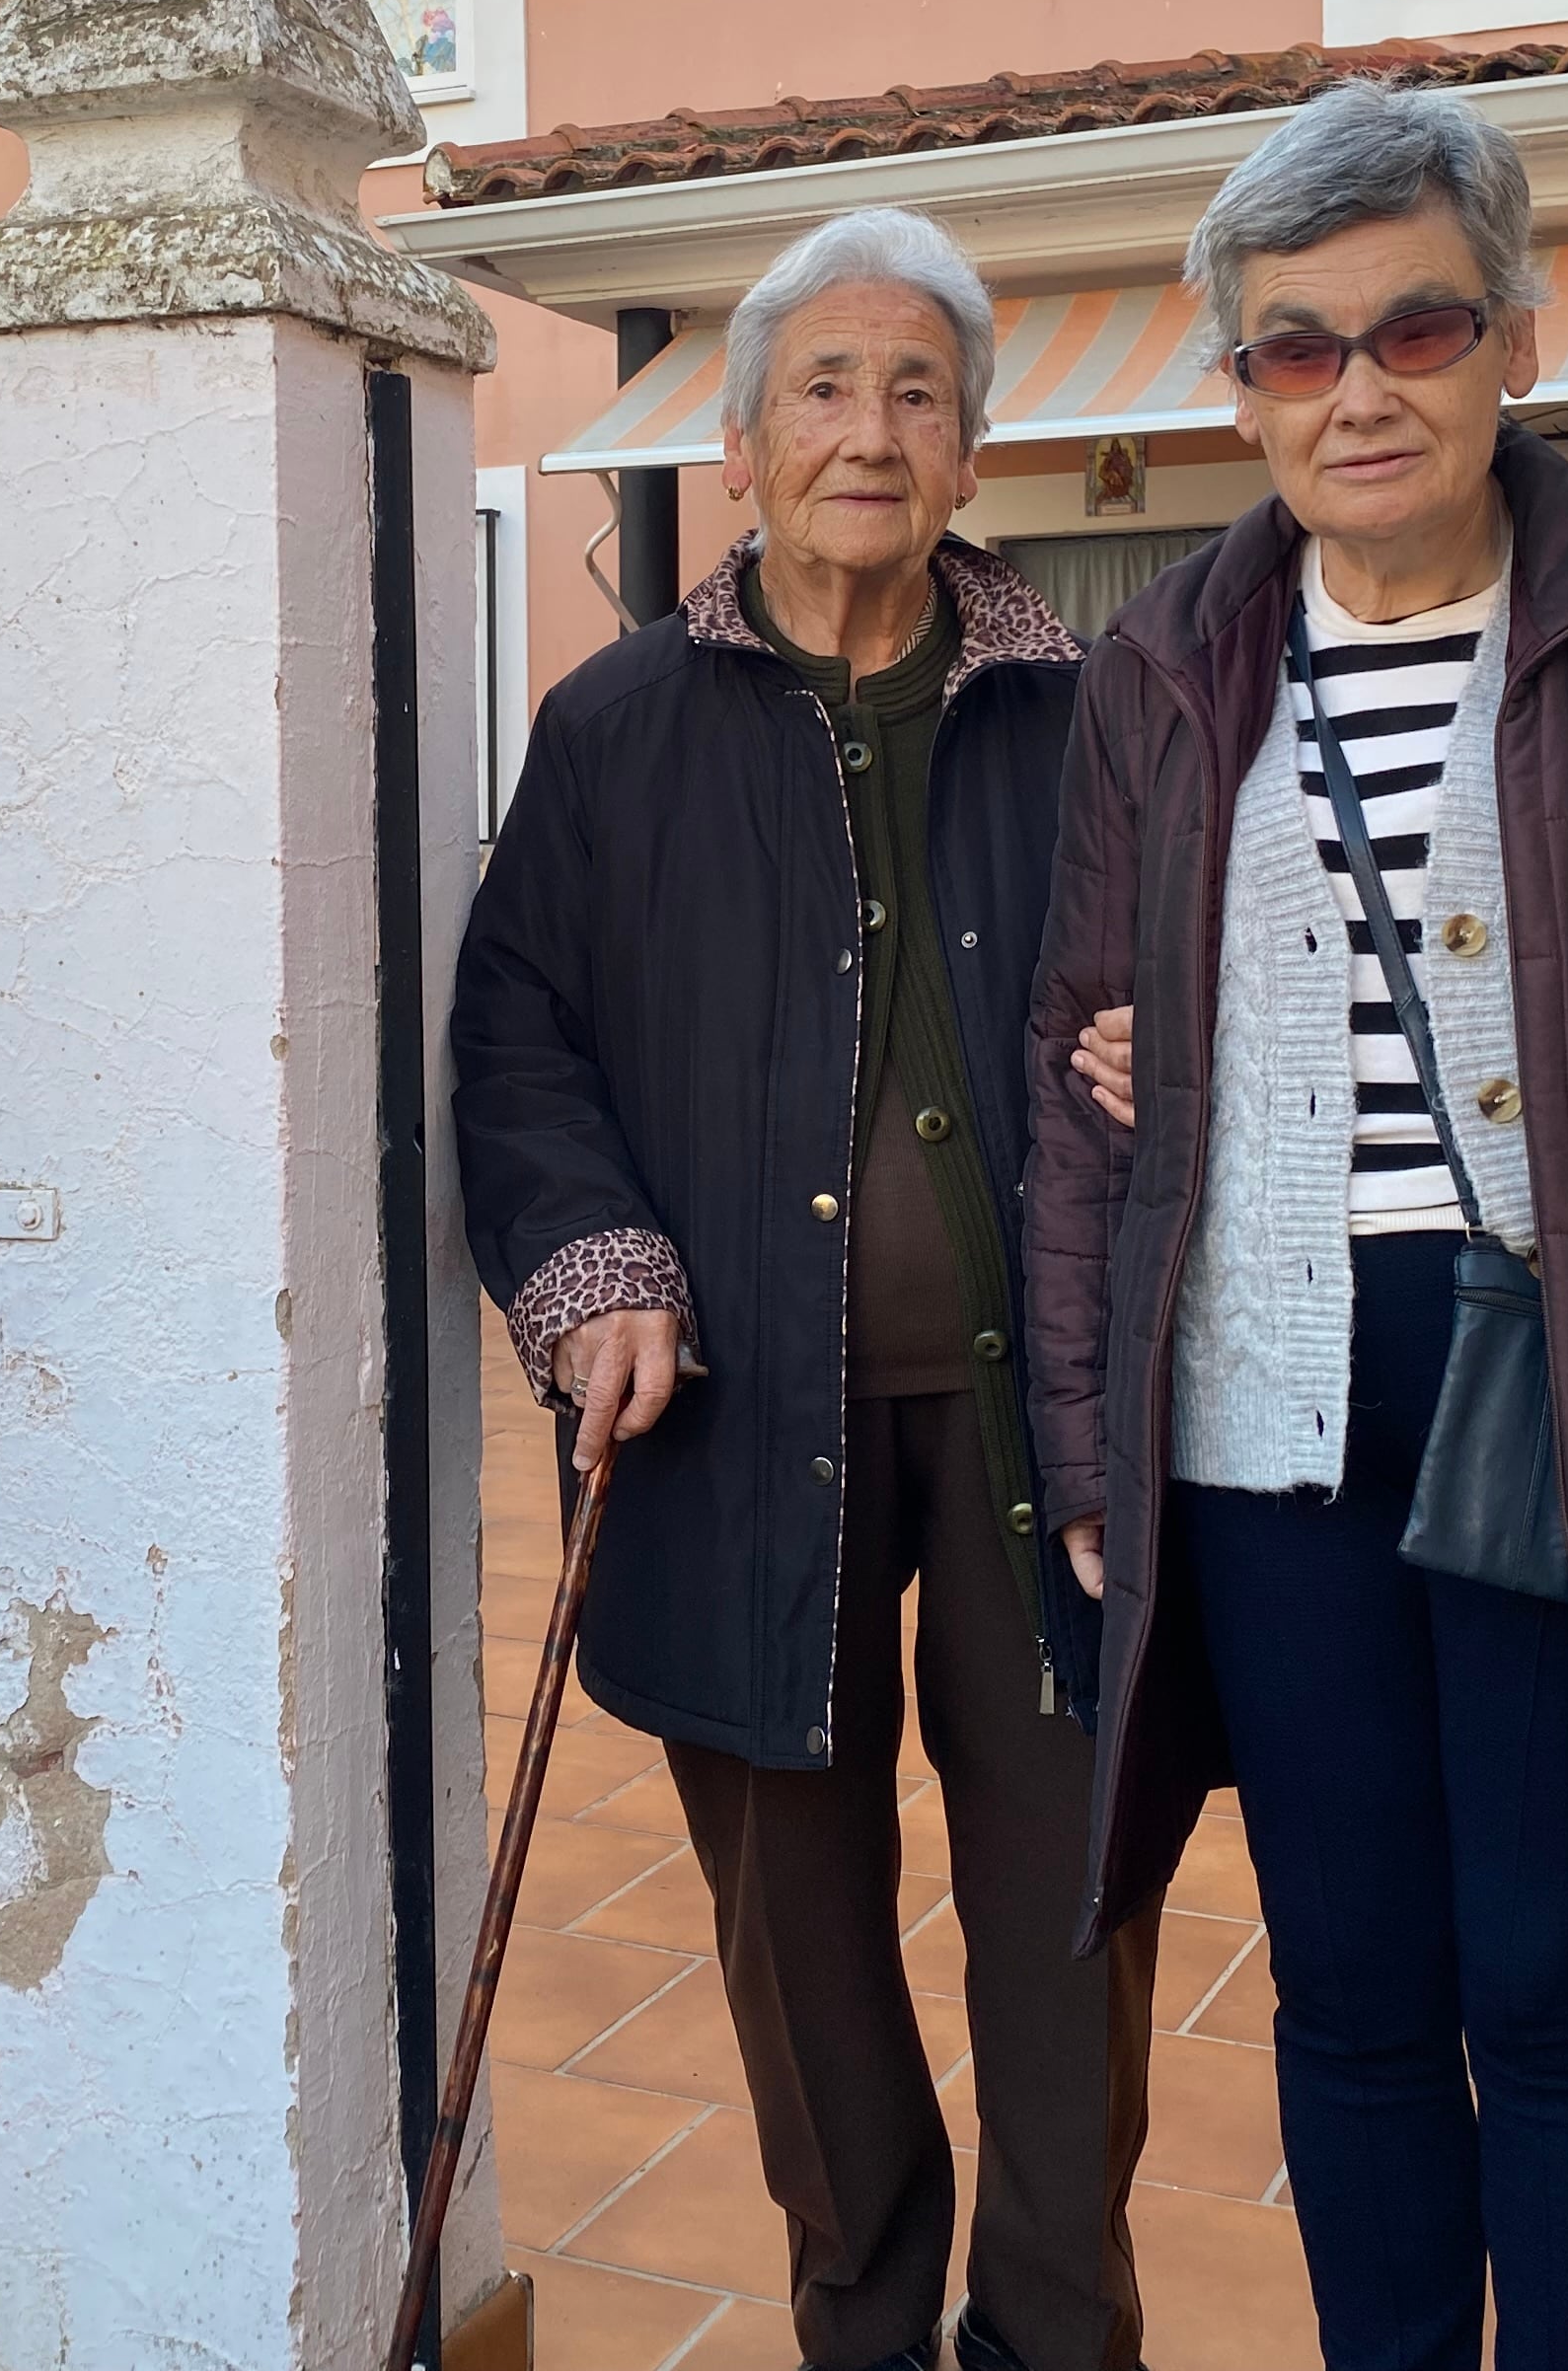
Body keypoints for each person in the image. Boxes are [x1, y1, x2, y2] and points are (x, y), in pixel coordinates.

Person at [1020, 83, 1568, 2371]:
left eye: (1413, 326)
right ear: (1238, 384)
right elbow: (1082, 1089)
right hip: (1270, 1406)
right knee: (1348, 1987)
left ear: (1515, 339)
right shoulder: (1165, 669)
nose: (1360, 388)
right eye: (1296, 346)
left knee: (1558, 1983)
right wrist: (1085, 1454)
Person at [452, 206, 1153, 2371]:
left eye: (918, 390)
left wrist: (1176, 1046)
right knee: (798, 1930)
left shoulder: (1092, 710)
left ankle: (1052, 2329)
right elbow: (515, 1034)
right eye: (827, 390)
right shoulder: (617, 729)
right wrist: (600, 1278)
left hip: (1053, 1425)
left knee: (1072, 1907)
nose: (873, 429)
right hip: (740, 1415)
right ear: (743, 446)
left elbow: (1212, 972)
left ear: (973, 454)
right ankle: (863, 2310)